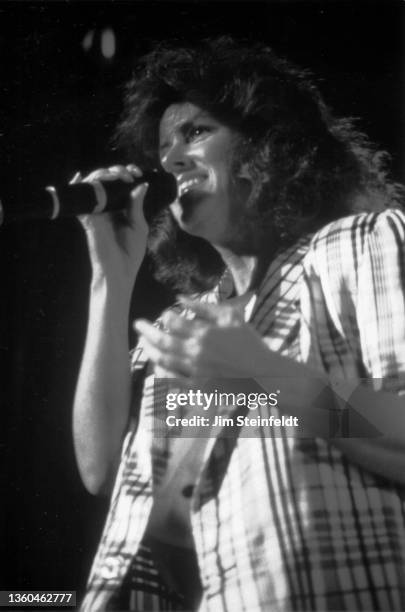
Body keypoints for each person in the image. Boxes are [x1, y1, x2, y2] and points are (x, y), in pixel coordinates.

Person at [73, 37, 405, 611]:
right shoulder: (186, 323)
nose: (172, 159)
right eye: (163, 147)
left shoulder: (358, 244)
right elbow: (101, 469)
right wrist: (111, 278)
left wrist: (264, 372)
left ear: (267, 142)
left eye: (196, 133)